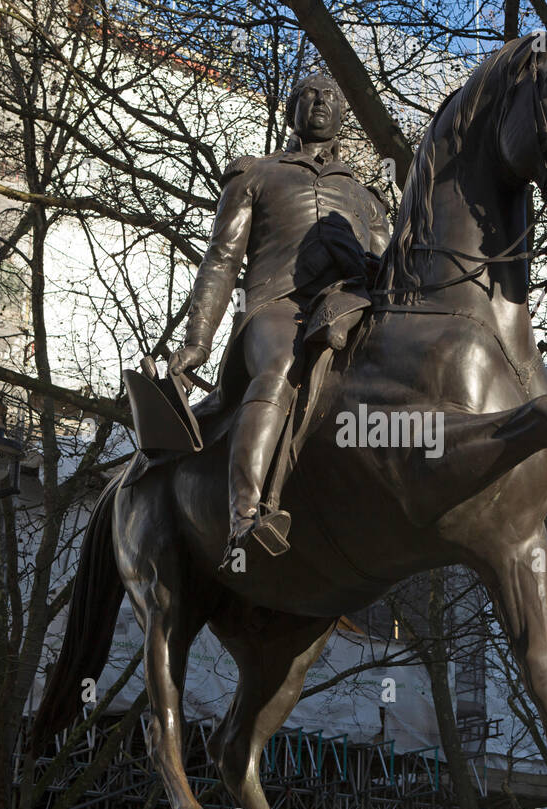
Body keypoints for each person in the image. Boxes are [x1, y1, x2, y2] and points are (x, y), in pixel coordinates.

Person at [166, 73, 390, 562]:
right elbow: (222, 260)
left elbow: (387, 271)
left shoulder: (365, 197)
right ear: (291, 107)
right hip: (277, 307)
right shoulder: (257, 174)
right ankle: (244, 519)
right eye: (309, 94)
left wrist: (363, 265)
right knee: (280, 367)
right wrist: (197, 343)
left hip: (348, 305)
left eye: (331, 95)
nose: (321, 102)